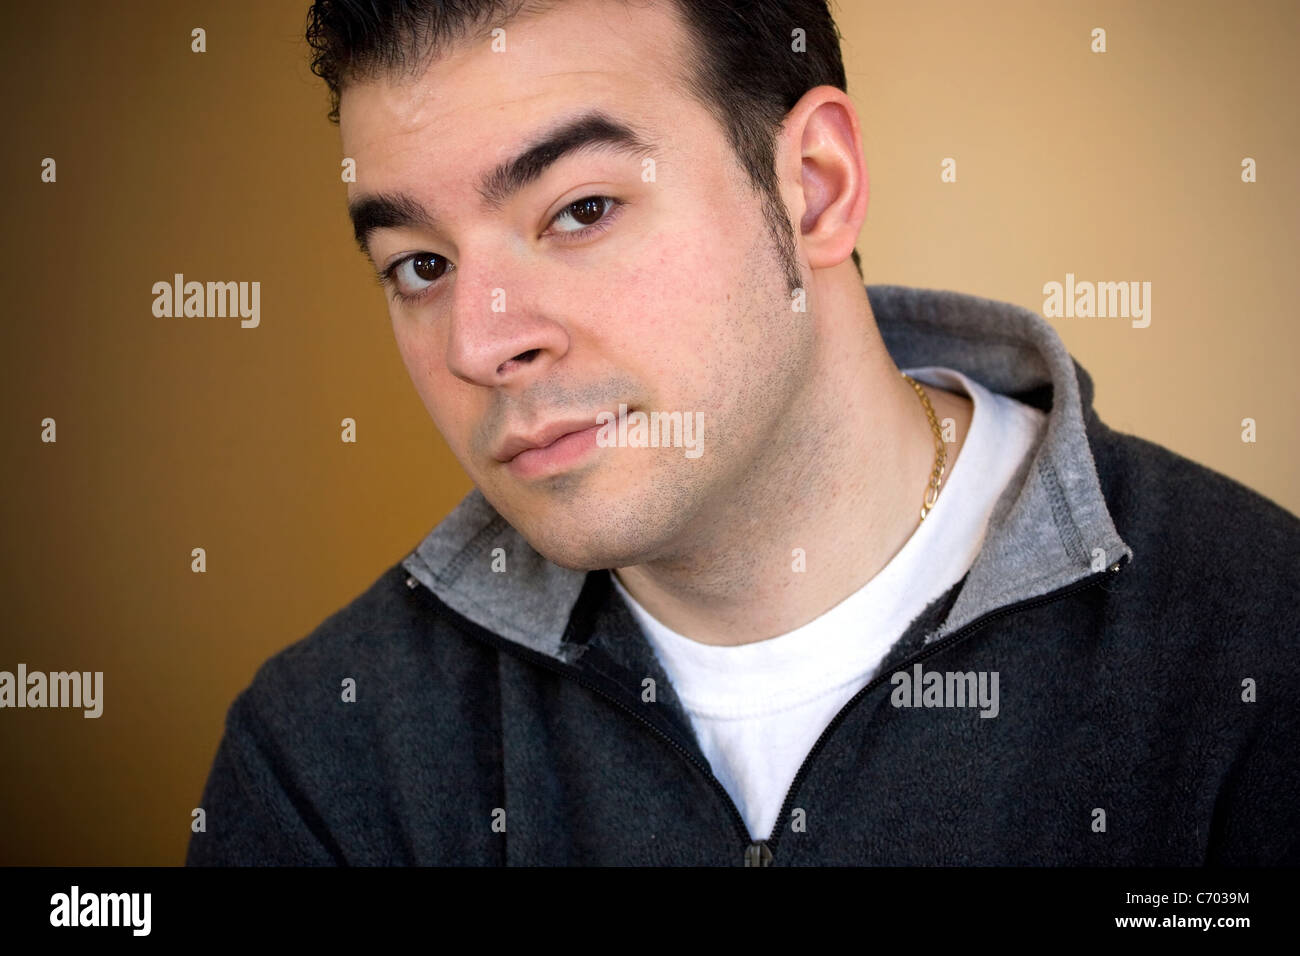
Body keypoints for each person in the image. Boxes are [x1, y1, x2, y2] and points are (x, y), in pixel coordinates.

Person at [187, 0, 1299, 866]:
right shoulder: (330, 753)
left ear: (814, 189)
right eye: (419, 266)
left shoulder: (1257, 643)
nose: (481, 344)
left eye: (580, 209)